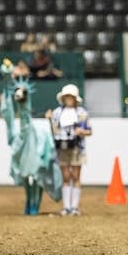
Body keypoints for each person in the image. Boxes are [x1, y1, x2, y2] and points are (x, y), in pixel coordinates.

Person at [46, 84, 92, 216]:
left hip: (77, 148)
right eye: (67, 96)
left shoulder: (82, 113)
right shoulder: (57, 113)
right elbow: (53, 131)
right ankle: (66, 207)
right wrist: (49, 120)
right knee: (66, 176)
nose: (69, 99)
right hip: (62, 147)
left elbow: (89, 130)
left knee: (76, 176)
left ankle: (74, 207)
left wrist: (81, 131)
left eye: (71, 96)